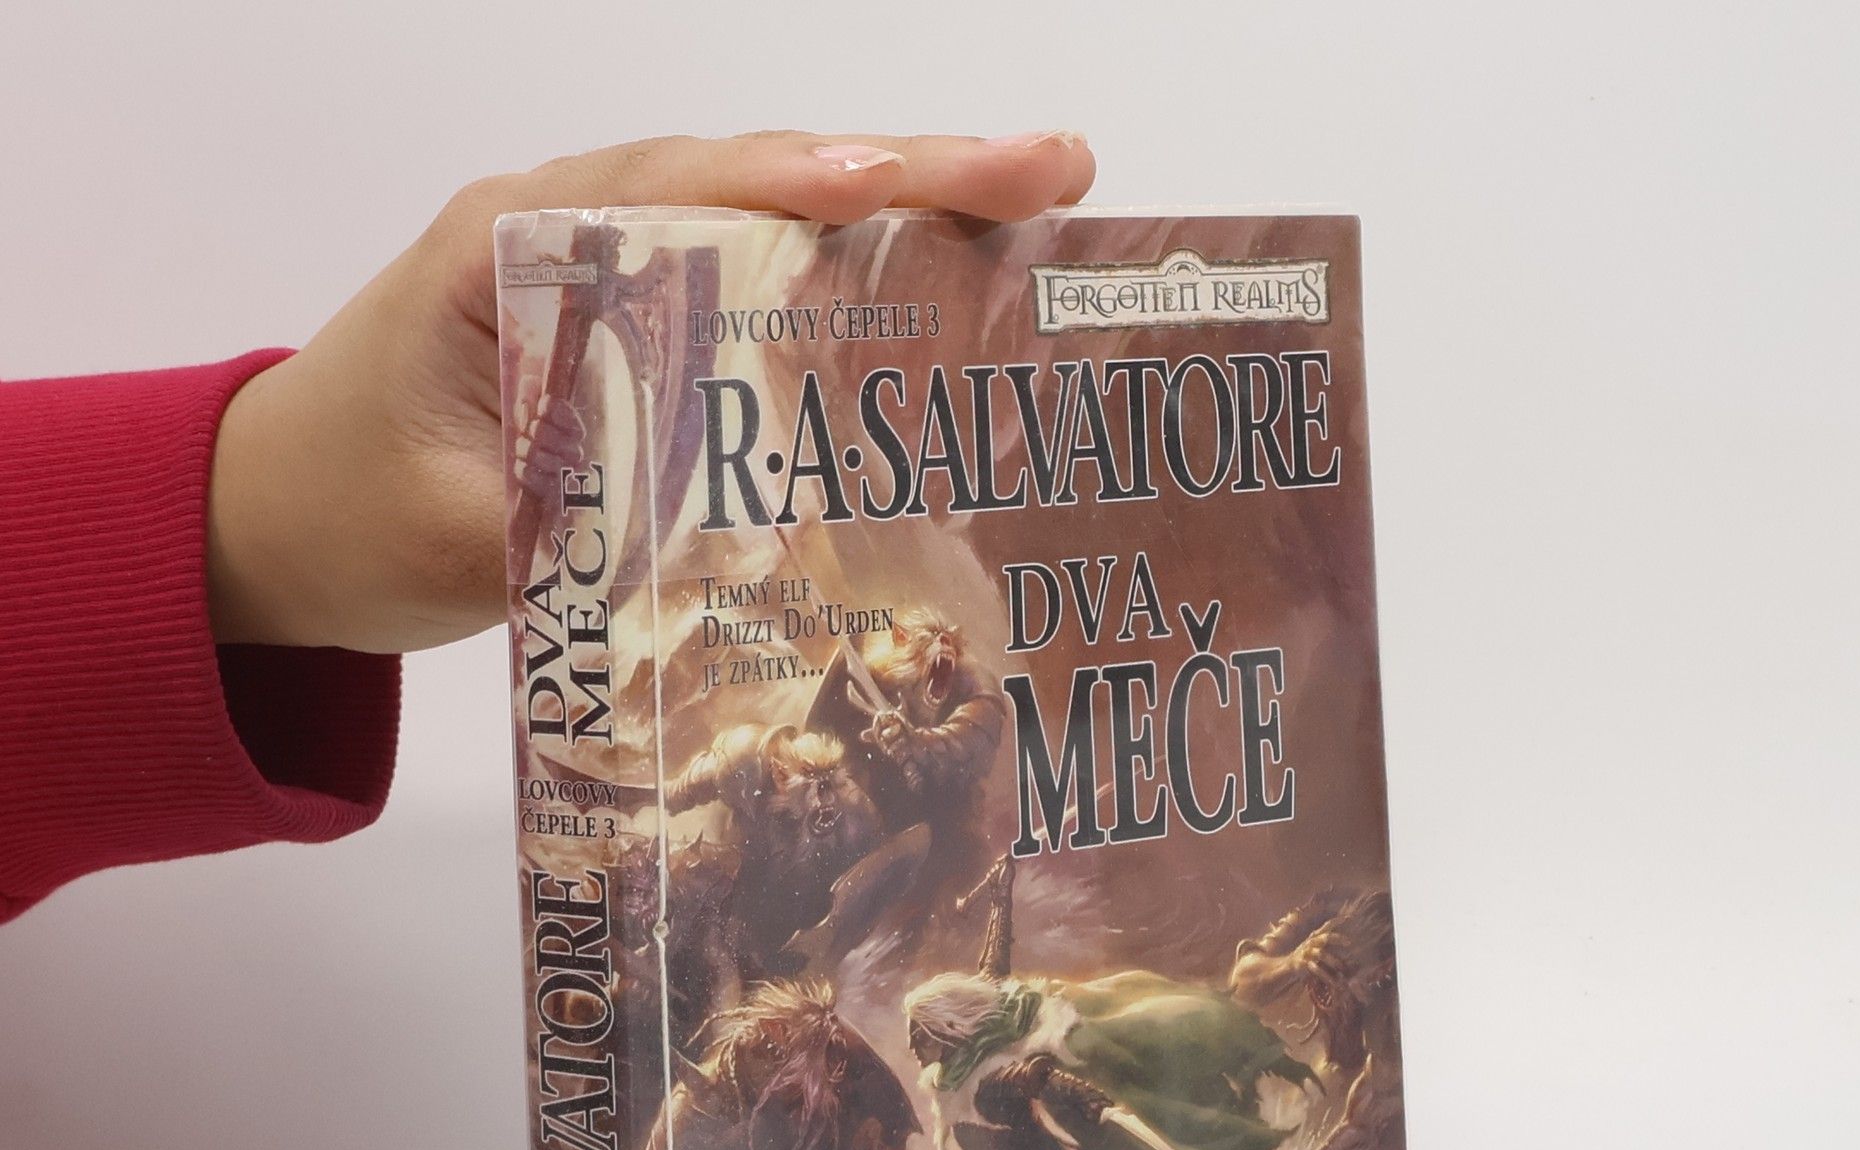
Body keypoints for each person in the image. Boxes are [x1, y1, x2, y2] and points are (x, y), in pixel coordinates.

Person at [0, 129, 1095, 923]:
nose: (916, 658)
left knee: (888, 874)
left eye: (923, 659)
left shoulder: (951, 712)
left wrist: (238, 514)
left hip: (896, 824)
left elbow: (957, 754)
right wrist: (244, 517)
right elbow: (726, 765)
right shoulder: (802, 722)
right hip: (777, 770)